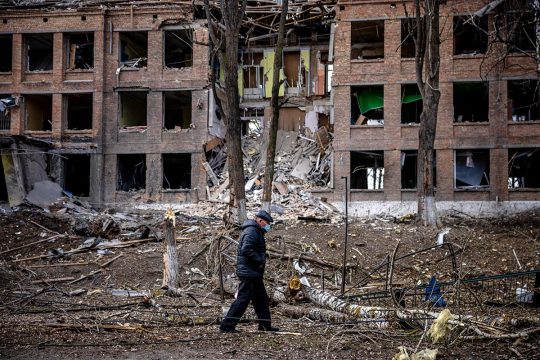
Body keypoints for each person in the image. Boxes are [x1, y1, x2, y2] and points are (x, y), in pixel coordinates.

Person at [219, 210, 279, 333]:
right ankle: (227, 326)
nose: (268, 226)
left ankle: (265, 325)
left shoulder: (256, 230)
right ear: (260, 221)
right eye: (267, 223)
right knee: (242, 300)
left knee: (261, 299)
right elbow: (246, 249)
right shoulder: (252, 231)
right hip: (249, 272)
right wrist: (260, 259)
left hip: (253, 272)